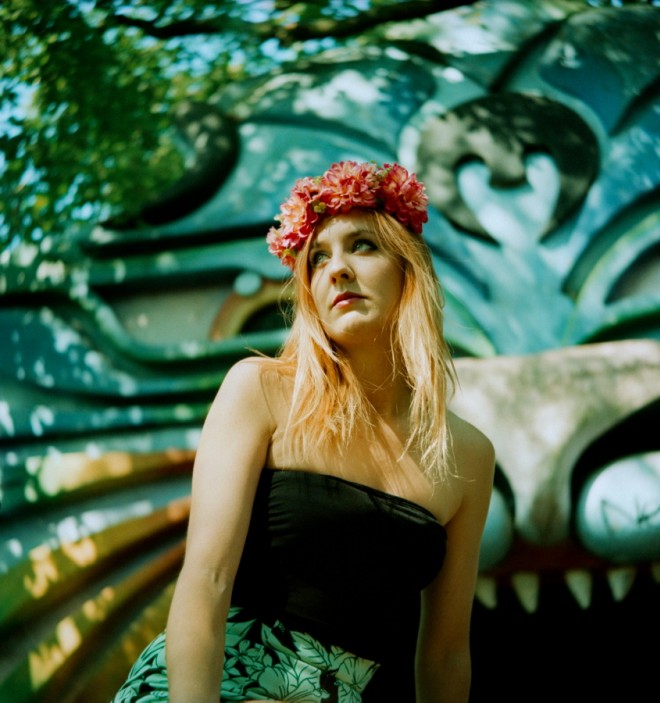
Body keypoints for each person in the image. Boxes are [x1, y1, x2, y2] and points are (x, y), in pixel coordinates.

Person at [113, 160, 494, 703]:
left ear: (408, 268)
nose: (337, 269)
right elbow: (207, 580)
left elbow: (446, 654)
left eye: (363, 246)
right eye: (318, 258)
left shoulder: (468, 455)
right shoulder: (259, 389)